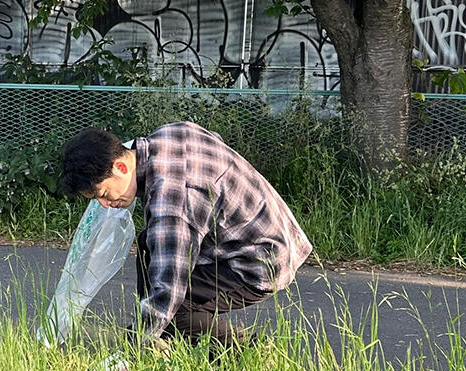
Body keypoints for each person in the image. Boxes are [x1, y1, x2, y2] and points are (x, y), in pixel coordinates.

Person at [58, 122, 312, 349]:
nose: (105, 204)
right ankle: (164, 340)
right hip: (267, 231)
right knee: (150, 246)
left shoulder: (171, 199)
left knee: (175, 312)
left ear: (121, 166)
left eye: (103, 194)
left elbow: (169, 285)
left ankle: (247, 351)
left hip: (259, 262)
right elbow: (215, 138)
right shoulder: (167, 134)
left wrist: (144, 337)